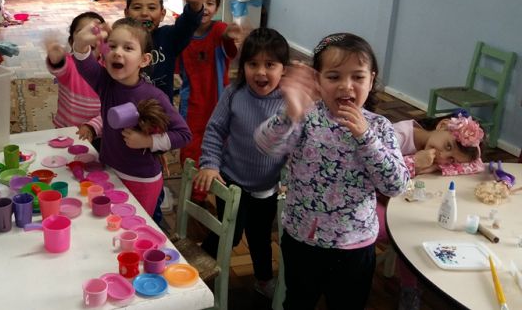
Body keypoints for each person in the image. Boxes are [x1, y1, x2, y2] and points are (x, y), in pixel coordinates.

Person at [255, 32, 410, 309]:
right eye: (334, 76)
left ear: (371, 80)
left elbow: (396, 185)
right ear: (318, 80)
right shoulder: (305, 117)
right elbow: (266, 145)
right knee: (298, 302)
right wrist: (290, 113)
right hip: (302, 240)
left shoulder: (379, 127)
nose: (346, 86)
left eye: (358, 77)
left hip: (355, 245)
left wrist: (366, 139)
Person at [193, 28, 289, 298]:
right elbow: (215, 130)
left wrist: (289, 179)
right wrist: (210, 163)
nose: (261, 72)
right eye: (253, 64)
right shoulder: (234, 93)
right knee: (229, 232)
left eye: (270, 65)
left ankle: (263, 279)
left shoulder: (288, 103)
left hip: (268, 187)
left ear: (284, 69)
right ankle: (198, 267)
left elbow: (298, 146)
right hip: (231, 180)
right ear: (242, 65)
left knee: (260, 236)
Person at [71, 17, 191, 216]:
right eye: (112, 46)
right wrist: (81, 42)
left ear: (144, 60)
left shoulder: (154, 95)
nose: (117, 52)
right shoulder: (105, 83)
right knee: (109, 223)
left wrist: (148, 141)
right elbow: (84, 62)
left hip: (142, 180)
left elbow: (184, 135)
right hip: (109, 171)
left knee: (134, 226)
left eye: (128, 48)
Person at [377, 111, 484, 310]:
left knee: (417, 226)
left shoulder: (437, 152)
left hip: (398, 203)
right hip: (368, 201)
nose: (443, 157)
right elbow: (376, 172)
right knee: (407, 231)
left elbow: (477, 165)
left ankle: (410, 286)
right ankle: (410, 289)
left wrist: (435, 168)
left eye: (451, 159)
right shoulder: (396, 135)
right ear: (442, 125)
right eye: (448, 146)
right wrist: (414, 163)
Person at [125, 0, 204, 222]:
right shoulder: (123, 40)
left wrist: (195, 5)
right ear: (126, 13)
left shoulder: (168, 38)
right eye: (137, 7)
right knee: (126, 159)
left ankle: (154, 211)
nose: (144, 13)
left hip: (157, 119)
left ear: (162, 14)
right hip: (126, 114)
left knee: (153, 164)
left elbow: (187, 25)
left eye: (151, 8)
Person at [176, 0, 241, 167]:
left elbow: (230, 47)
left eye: (210, 3)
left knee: (218, 139)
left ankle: (214, 174)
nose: (204, 8)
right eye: (199, 2)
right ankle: (192, 178)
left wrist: (230, 36)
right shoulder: (182, 29)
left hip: (218, 100)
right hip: (191, 101)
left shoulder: (219, 29)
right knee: (190, 143)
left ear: (217, 8)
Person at [44, 12, 104, 148]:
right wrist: (57, 60)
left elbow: (112, 105)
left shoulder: (110, 68)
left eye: (95, 32)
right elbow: (60, 69)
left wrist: (93, 126)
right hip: (67, 131)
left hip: (98, 132)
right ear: (72, 42)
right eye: (82, 33)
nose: (88, 38)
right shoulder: (70, 63)